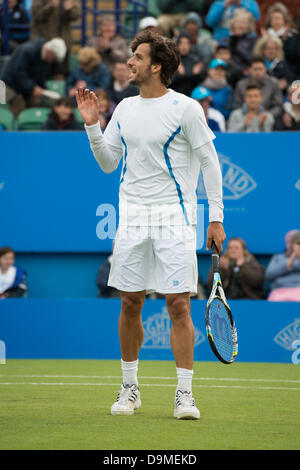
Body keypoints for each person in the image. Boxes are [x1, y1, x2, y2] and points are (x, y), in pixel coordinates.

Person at [76, 30, 225, 420]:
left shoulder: (186, 108)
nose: (130, 62)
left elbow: (210, 162)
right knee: (129, 302)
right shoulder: (124, 108)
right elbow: (109, 162)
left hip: (174, 218)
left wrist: (216, 217)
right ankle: (130, 388)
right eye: (131, 56)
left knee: (178, 305)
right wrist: (93, 125)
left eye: (137, 57)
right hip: (132, 218)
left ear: (156, 65)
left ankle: (185, 395)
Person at [0, 37, 67, 117]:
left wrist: (44, 90)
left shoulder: (47, 60)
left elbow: (41, 77)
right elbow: (18, 73)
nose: (53, 61)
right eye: (54, 58)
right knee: (19, 107)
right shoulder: (27, 50)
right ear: (49, 52)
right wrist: (33, 87)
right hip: (10, 84)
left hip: (26, 86)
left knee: (36, 103)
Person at [262, 2, 300, 79]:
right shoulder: (264, 36)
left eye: (278, 18)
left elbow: (292, 55)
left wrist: (281, 40)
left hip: (289, 72)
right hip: (267, 72)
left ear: (284, 20)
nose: (276, 21)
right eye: (273, 18)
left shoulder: (292, 36)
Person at [266, 230, 300, 301]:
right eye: (290, 242)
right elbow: (269, 275)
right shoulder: (278, 257)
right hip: (280, 291)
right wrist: (291, 259)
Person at [227, 7, 257, 72]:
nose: (240, 25)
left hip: (245, 71)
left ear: (248, 26)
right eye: (238, 22)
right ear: (233, 24)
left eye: (243, 23)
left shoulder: (252, 40)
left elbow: (251, 59)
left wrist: (236, 47)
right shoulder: (226, 40)